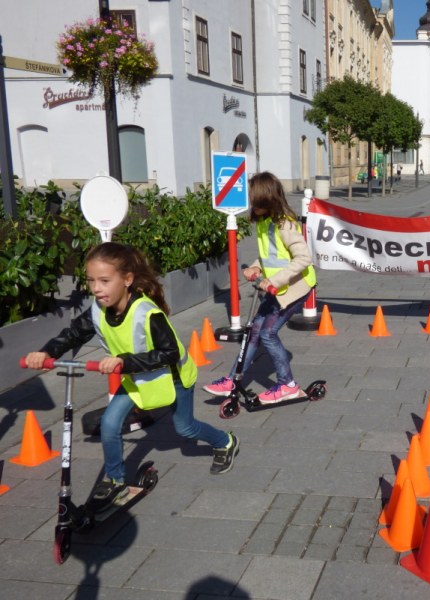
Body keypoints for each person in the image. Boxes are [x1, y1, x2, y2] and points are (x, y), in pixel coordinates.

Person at [25, 242, 239, 513]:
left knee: (185, 429)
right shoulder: (98, 309)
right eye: (91, 281)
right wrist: (46, 352)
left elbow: (170, 353)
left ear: (127, 279)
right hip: (136, 377)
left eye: (104, 281)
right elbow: (74, 333)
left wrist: (124, 361)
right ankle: (115, 480)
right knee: (110, 423)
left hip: (173, 377)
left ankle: (225, 441)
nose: (96, 288)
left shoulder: (146, 312)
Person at [204, 171, 316, 405]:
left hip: (295, 288)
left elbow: (303, 258)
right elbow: (271, 255)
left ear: (268, 199)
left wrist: (273, 281)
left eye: (255, 201)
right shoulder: (265, 222)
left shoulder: (285, 224)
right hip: (277, 288)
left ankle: (288, 385)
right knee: (253, 331)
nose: (251, 205)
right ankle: (233, 380)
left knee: (267, 333)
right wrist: (256, 266)